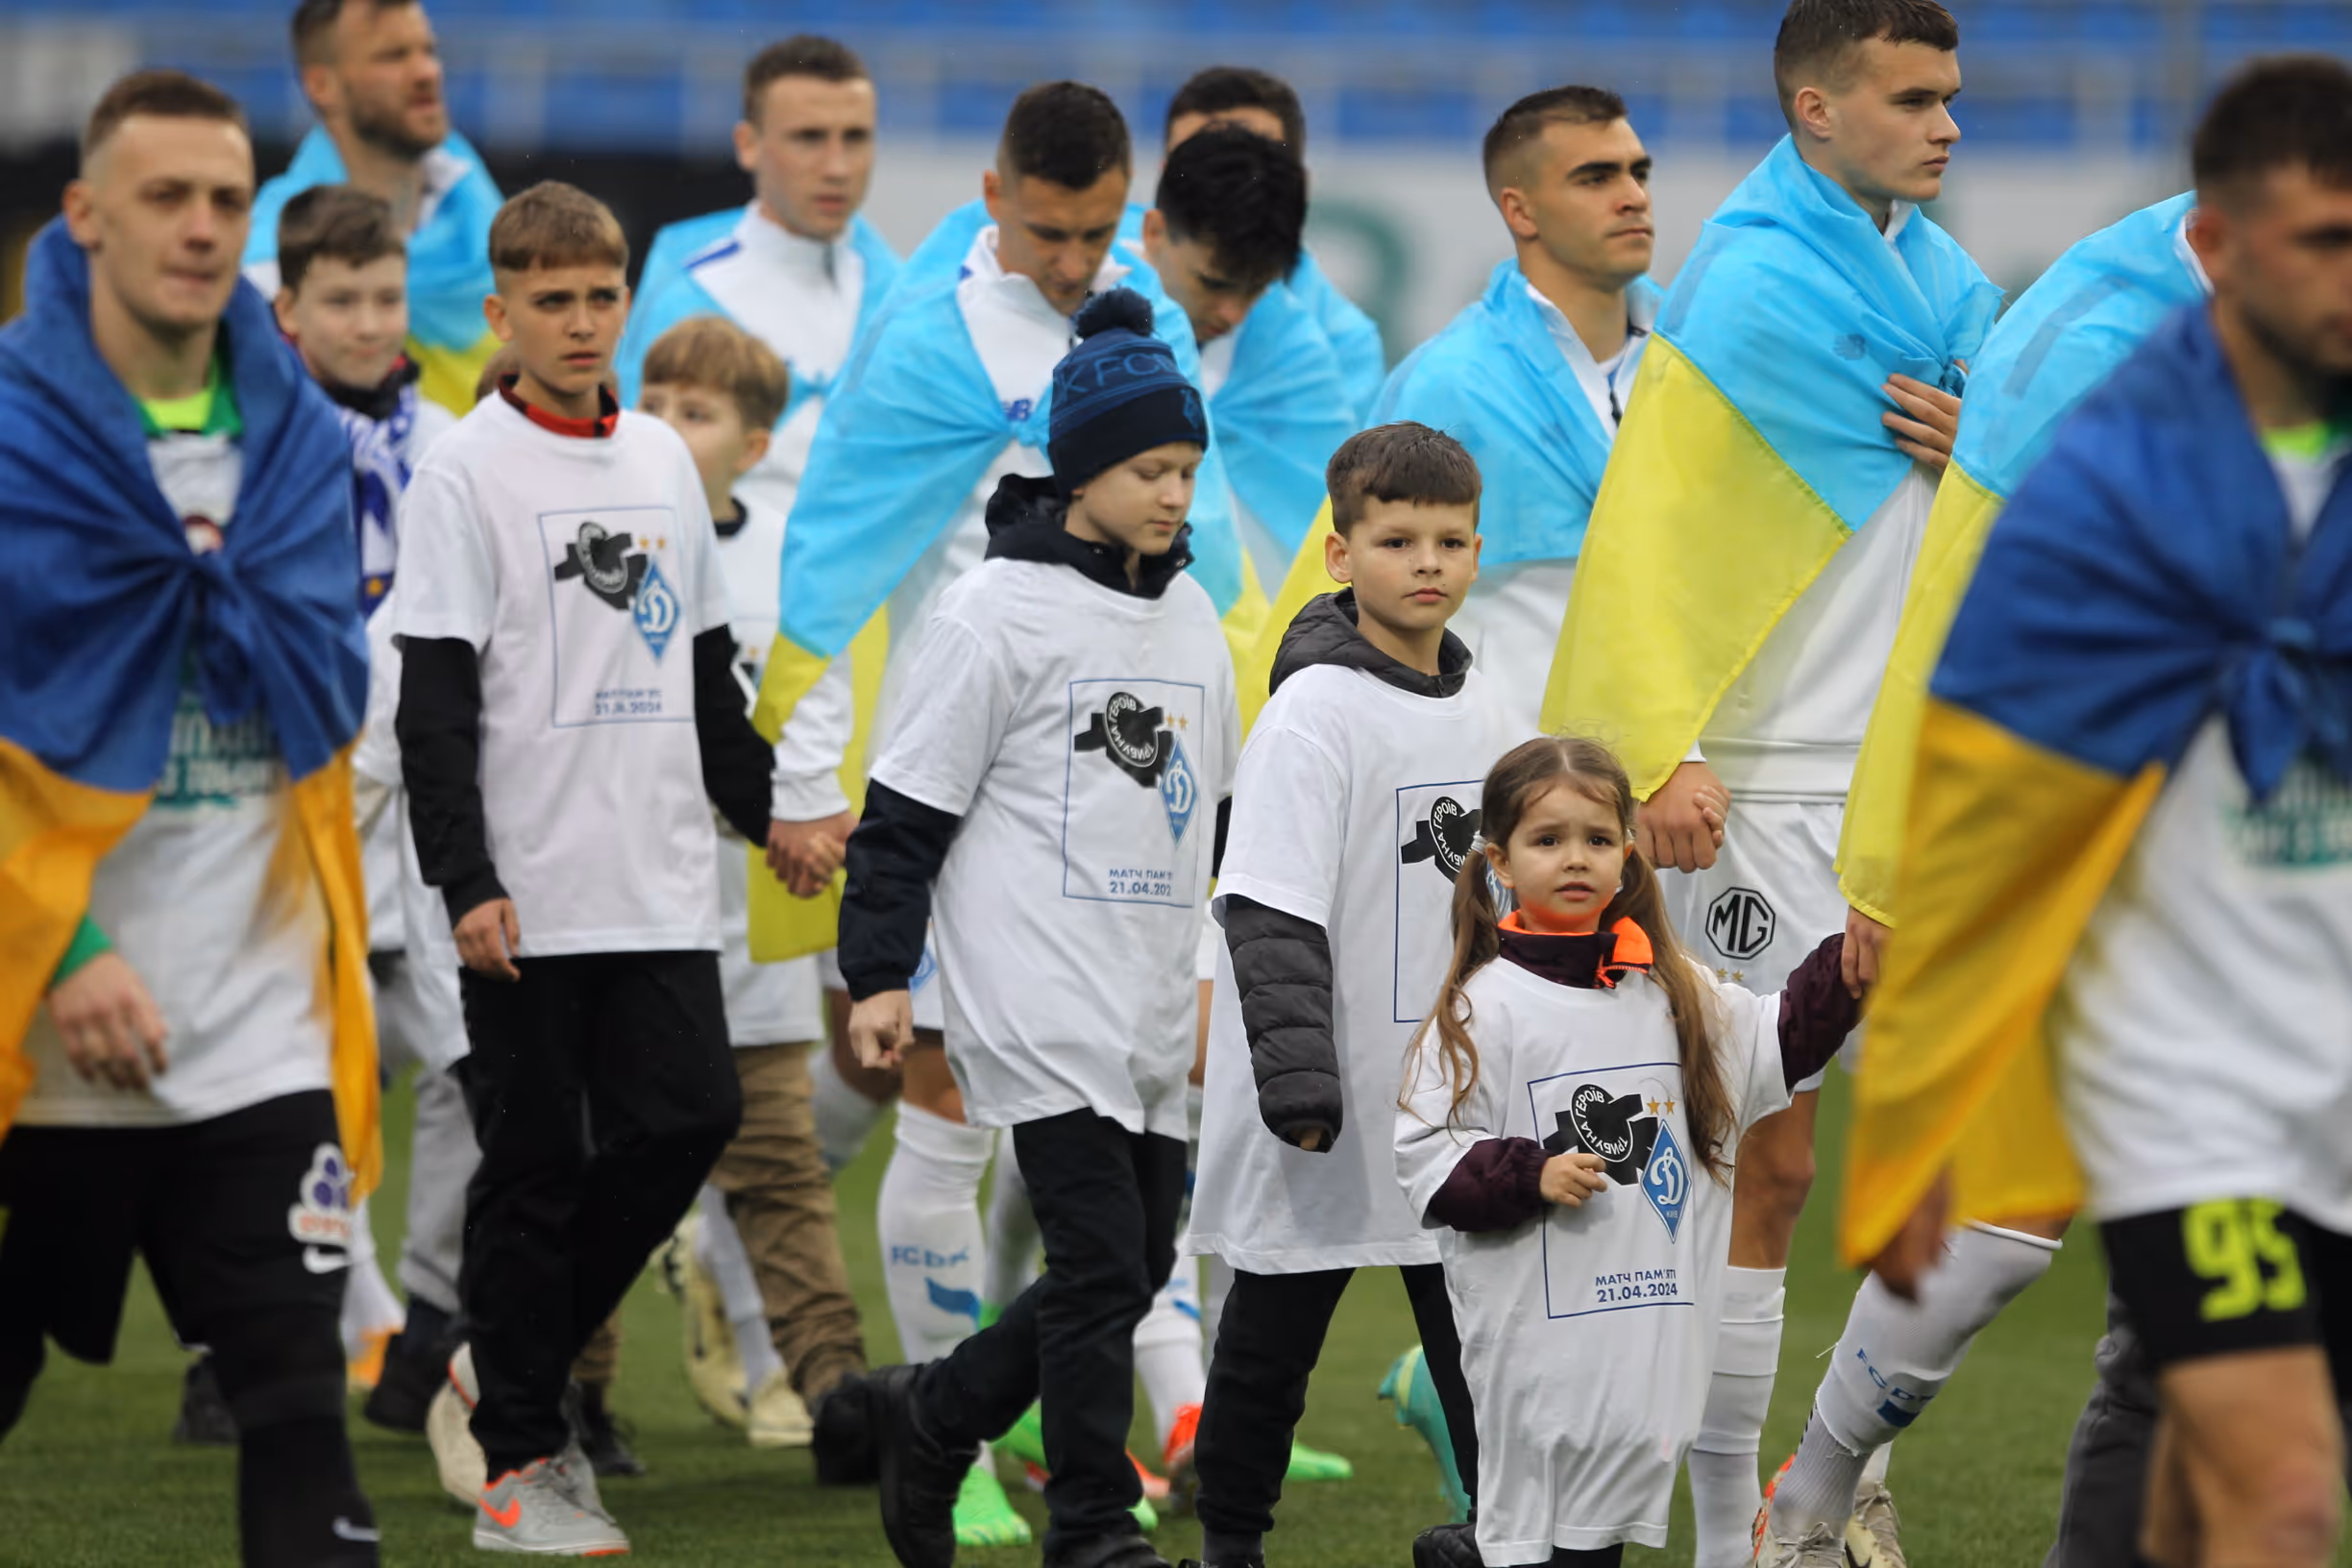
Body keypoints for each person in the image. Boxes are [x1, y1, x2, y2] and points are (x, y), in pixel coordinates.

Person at [1842, 54, 2352, 1568]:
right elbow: (1990, 805)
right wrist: (1921, 1108)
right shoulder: (2099, 492)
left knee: (2202, 1430)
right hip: (2193, 1065)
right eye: (2326, 242)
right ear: (2219, 247)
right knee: (2282, 1487)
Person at [1541, 6, 2003, 1561]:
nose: (1945, 124)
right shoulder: (1746, 285)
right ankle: (1730, 1524)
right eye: (1911, 97)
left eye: (1950, 96)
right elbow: (1653, 531)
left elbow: (2014, 505)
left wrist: (1983, 455)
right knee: (1764, 1159)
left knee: (1962, 1158)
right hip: (1760, 785)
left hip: (1906, 779)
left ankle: (1821, 1470)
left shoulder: (1952, 291)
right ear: (1815, 107)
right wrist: (1659, 750)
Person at [760, 80, 1242, 1549]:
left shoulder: (1191, 613)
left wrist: (1214, 966)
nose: (1176, 495)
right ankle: (1090, 1521)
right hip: (1020, 934)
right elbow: (901, 790)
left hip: (1143, 963)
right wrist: (880, 964)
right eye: (1150, 471)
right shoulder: (984, 586)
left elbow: (1211, 810)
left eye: (1187, 470)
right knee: (1087, 1244)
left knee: (1128, 1256)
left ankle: (936, 1413)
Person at [1757, 192, 2211, 1568]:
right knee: (2010, 1226)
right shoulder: (2104, 329)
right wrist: (1893, 868)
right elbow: (1957, 612)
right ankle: (1813, 1489)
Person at [0, 68, 381, 1567]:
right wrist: (65, 947)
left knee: (296, 1413)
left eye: (229, 199)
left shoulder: (300, 446)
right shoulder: (11, 437)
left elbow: (326, 695)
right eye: (166, 196)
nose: (204, 227)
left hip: (255, 1034)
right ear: (86, 215)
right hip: (37, 1033)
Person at [979, 118, 1360, 1503]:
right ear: (1154, 233)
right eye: (1208, 287)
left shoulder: (1314, 355)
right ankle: (1029, 1446)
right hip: (1043, 841)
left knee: (1128, 1196)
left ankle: (1042, 1410)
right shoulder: (1004, 353)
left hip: (1194, 806)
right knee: (1019, 1165)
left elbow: (1320, 544)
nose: (1227, 316)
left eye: (1252, 294)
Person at [392, 180, 775, 1556]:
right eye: (547, 301)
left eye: (599, 296)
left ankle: (500, 1353)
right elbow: (433, 708)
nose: (578, 322)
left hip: (658, 881)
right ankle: (517, 1471)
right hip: (524, 895)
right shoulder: (463, 470)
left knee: (690, 1118)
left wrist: (776, 819)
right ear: (500, 315)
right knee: (536, 1165)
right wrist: (466, 881)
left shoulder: (663, 459)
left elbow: (708, 681)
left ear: (626, 300)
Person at [609, 35, 900, 1431]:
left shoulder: (899, 284)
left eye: (855, 137)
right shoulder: (684, 280)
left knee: (869, 1024)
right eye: (806, 138)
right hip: (706, 683)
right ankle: (710, 1303)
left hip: (863, 670)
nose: (835, 165)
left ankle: (726, 1256)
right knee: (743, 1031)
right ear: (748, 145)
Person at [1396, 737, 1860, 1568]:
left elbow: (1783, 1036)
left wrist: (1859, 945)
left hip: (1647, 1368)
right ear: (1499, 860)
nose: (1576, 858)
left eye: (1598, 839)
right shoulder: (1482, 1008)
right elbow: (1429, 1160)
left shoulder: (1674, 992)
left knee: (1595, 1542)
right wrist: (1531, 1172)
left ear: (1627, 854)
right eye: (1548, 840)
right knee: (1548, 1546)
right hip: (1541, 1370)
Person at [1183, 423, 1506, 1568]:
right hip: (1317, 1100)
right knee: (1269, 1342)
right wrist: (1302, 1091)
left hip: (1448, 1101)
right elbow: (1268, 916)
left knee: (1481, 1339)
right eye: (1397, 540)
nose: (1427, 563)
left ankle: (1500, 1537)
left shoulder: (1493, 704)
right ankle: (1229, 1547)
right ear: (1340, 554)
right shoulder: (1311, 712)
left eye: (1450, 541)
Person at [636, 313, 871, 1448]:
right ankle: (567, 1396)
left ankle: (835, 1393)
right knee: (606, 1155)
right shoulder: (614, 533)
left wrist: (803, 814)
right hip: (628, 906)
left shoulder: (790, 552)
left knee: (779, 1162)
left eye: (697, 411)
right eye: (653, 402)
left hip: (759, 903)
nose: (665, 426)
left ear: (757, 442)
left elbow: (817, 699)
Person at [272, 178, 462, 1405]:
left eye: (386, 297)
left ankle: (428, 1314)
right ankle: (319, 1316)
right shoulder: (257, 442)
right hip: (295, 790)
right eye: (340, 299)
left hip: (425, 791)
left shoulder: (447, 436)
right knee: (299, 1076)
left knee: (465, 1063)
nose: (368, 321)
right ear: (286, 309)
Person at [245, 0, 502, 414]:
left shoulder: (489, 219)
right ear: (322, 85)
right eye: (393, 56)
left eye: (428, 51)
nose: (426, 72)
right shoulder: (268, 262)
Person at [1161, 65, 1386, 419]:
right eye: (1197, 162)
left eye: (1255, 162)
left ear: (1298, 184)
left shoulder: (1342, 344)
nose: (1227, 183)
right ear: (1165, 176)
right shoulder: (1092, 285)